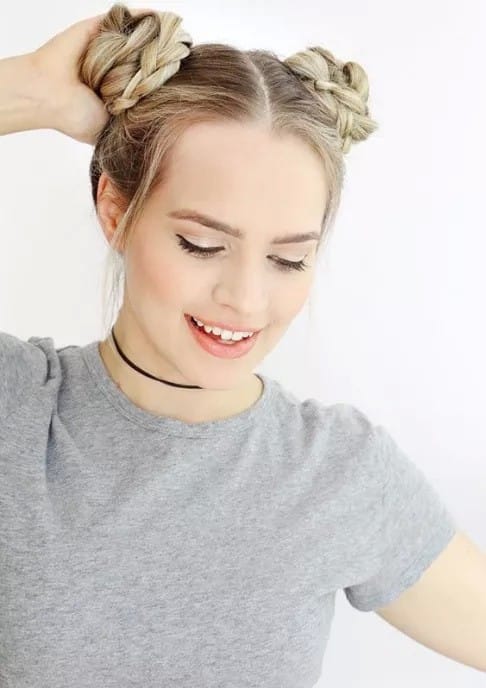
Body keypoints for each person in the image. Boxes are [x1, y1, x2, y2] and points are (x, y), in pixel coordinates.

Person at [0, 5, 460, 686]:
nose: (246, 300)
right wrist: (31, 91)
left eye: (288, 259)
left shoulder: (337, 473)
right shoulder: (16, 412)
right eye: (202, 244)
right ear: (115, 212)